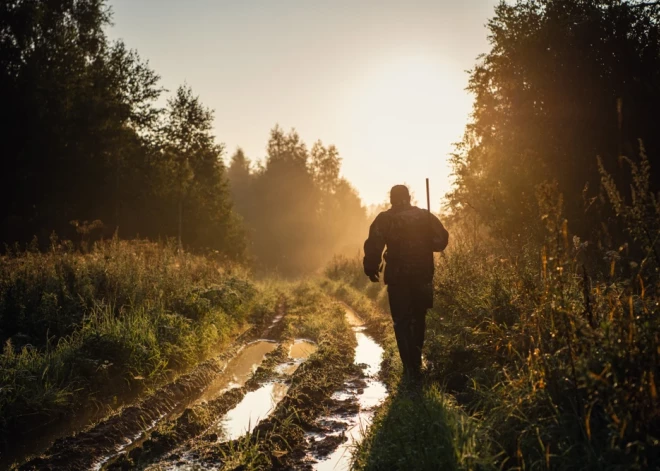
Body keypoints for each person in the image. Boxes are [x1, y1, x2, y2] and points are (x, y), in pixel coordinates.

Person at [363, 184, 449, 381]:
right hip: (423, 275)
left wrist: (371, 267)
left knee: (401, 321)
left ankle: (408, 368)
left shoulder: (385, 219)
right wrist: (426, 238)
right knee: (419, 318)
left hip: (398, 277)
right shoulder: (425, 216)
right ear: (409, 198)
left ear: (392, 199)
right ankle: (416, 363)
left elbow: (374, 245)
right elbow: (441, 241)